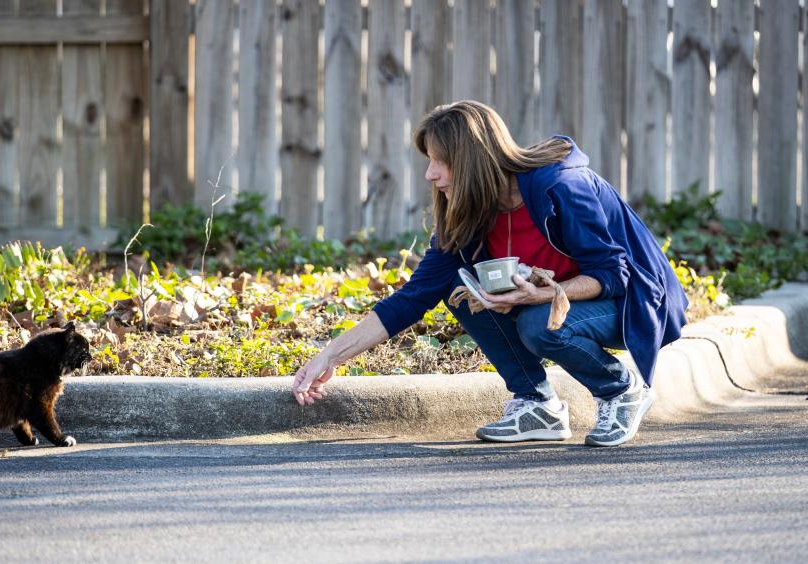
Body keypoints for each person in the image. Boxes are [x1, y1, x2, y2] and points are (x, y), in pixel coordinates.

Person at [292, 100, 688, 447]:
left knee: (537, 324)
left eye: (439, 161)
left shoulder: (562, 186)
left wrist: (545, 294)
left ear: (472, 160)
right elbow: (413, 299)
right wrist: (330, 355)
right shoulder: (468, 211)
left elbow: (613, 273)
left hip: (634, 302)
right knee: (457, 284)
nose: (430, 174)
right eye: (428, 161)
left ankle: (621, 391)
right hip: (561, 302)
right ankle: (537, 406)